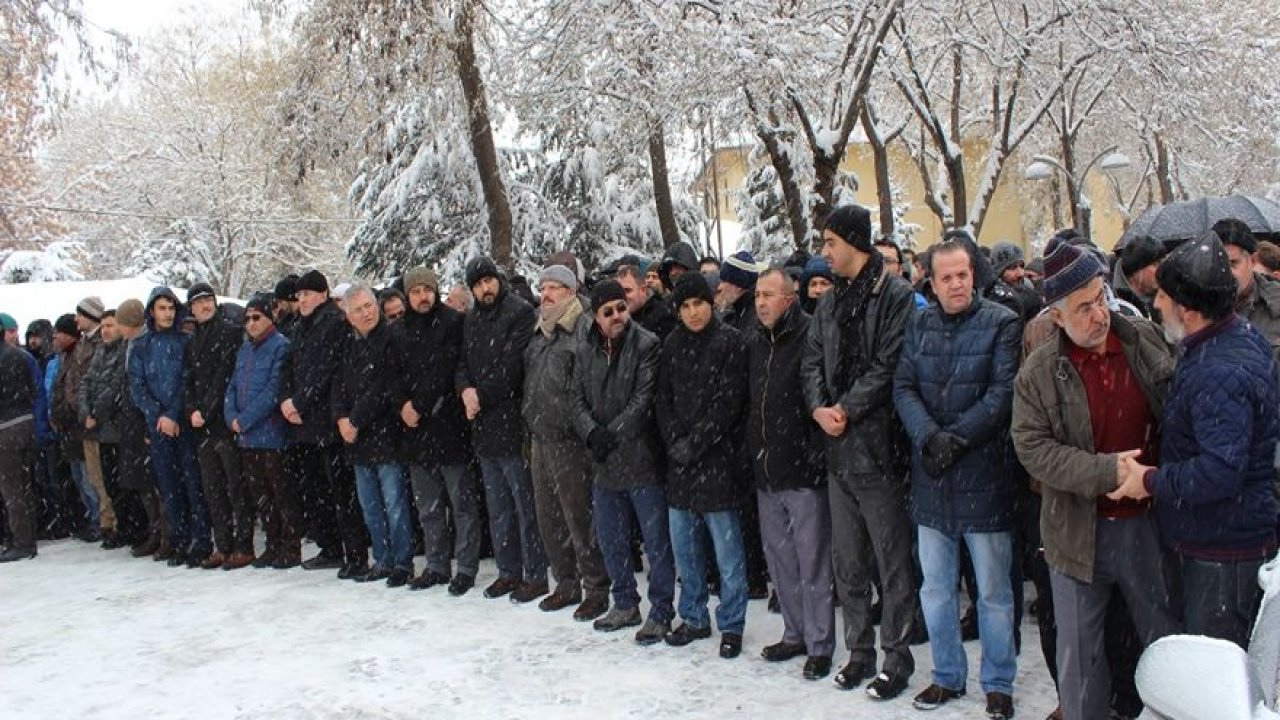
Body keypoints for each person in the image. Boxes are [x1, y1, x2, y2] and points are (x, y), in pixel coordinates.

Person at [1011, 242, 1180, 720]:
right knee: (1081, 664)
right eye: (1083, 308)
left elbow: (1177, 409)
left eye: (1100, 298)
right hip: (1075, 532)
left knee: (1167, 644)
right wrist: (1106, 471)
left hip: (1146, 525)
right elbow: (1032, 449)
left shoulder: (1142, 339)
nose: (1099, 314)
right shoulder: (1039, 371)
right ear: (1057, 317)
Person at [1110, 231, 1279, 649]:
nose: (1155, 303)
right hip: (1226, 542)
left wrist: (1150, 481)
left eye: (1162, 295)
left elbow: (1219, 472)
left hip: (1222, 554)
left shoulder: (1217, 369)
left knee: (1216, 667)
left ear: (1186, 308)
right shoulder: (1230, 338)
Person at [893, 238, 1021, 718]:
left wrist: (958, 438)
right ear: (931, 282)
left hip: (983, 474)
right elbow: (904, 386)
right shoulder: (919, 323)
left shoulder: (1001, 322)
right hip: (932, 475)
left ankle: (998, 682)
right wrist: (929, 436)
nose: (956, 284)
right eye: (946, 277)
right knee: (935, 588)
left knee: (993, 592)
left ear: (974, 275)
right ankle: (947, 675)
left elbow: (1002, 393)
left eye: (963, 275)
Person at [801, 204, 919, 699]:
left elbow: (890, 363)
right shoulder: (829, 302)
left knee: (892, 565)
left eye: (831, 242)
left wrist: (846, 408)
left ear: (854, 242)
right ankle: (859, 653)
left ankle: (897, 658)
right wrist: (818, 408)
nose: (825, 252)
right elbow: (811, 362)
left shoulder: (895, 295)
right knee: (847, 563)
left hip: (880, 449)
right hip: (837, 451)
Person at [570, 279, 676, 644]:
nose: (617, 315)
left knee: (656, 543)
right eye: (608, 311)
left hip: (641, 460)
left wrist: (610, 434)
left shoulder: (647, 344)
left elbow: (642, 400)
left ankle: (661, 610)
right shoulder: (584, 349)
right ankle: (625, 603)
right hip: (603, 464)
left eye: (621, 308)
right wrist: (591, 433)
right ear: (595, 317)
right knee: (611, 540)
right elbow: (575, 399)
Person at [655, 272, 750, 659]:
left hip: (718, 461)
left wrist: (696, 441)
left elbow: (729, 402)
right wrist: (675, 440)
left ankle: (732, 622)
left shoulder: (731, 342)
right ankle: (693, 616)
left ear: (711, 303)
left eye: (699, 304)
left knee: (728, 554)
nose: (693, 312)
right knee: (686, 552)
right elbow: (662, 400)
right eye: (686, 306)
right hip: (680, 466)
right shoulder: (672, 344)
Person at [749, 268, 834, 680]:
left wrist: (813, 454)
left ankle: (820, 643)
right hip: (766, 470)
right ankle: (794, 632)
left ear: (789, 298)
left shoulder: (810, 335)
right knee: (781, 561)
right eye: (757, 295)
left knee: (812, 562)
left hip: (802, 471)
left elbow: (820, 397)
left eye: (769, 295)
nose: (761, 302)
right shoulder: (754, 341)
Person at [456, 257, 547, 602]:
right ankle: (508, 571)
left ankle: (535, 573)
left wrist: (480, 394)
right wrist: (465, 390)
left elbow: (512, 367)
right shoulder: (472, 319)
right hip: (483, 427)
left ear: (498, 279)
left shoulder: (520, 312)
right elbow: (462, 362)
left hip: (512, 424)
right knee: (498, 508)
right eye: (478, 284)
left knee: (525, 506)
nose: (485, 288)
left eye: (489, 281)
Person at [523, 259, 610, 619]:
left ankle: (596, 587)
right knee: (549, 517)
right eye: (542, 288)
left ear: (571, 292)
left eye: (553, 288)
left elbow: (588, 385)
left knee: (579, 518)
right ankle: (566, 583)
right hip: (539, 436)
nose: (545, 294)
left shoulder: (583, 327)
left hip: (570, 441)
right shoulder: (539, 329)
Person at [281, 269, 370, 579]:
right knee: (316, 492)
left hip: (328, 424)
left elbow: (327, 371)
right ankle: (330, 547)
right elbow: (288, 367)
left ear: (322, 294)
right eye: (299, 295)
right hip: (304, 426)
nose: (303, 299)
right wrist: (286, 401)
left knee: (342, 494)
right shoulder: (299, 328)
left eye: (308, 293)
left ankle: (355, 554)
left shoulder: (334, 324)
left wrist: (300, 402)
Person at [397, 267, 480, 596]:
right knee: (428, 508)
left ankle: (467, 567)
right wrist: (403, 405)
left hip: (449, 427)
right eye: (416, 291)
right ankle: (436, 565)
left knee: (462, 505)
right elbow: (391, 374)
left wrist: (420, 403)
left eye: (427, 290)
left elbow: (447, 368)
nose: (422, 297)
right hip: (415, 433)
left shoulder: (453, 323)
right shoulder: (398, 329)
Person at [331, 284, 412, 586]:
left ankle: (402, 562)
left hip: (385, 434)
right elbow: (337, 384)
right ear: (348, 315)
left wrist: (355, 419)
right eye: (358, 309)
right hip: (357, 441)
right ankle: (382, 558)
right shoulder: (347, 343)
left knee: (395, 504)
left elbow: (382, 386)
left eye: (369, 305)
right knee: (370, 506)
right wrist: (341, 418)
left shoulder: (392, 337)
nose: (366, 313)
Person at [129, 287, 212, 568]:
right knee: (169, 487)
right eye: (162, 308)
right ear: (151, 312)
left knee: (193, 484)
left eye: (171, 308)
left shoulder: (186, 341)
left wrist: (174, 414)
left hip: (184, 424)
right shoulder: (141, 346)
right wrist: (158, 416)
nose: (167, 313)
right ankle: (178, 541)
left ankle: (200, 541)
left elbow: (187, 381)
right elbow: (137, 387)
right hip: (158, 427)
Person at [225, 293, 296, 571]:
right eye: (248, 319)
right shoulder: (244, 349)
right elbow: (232, 386)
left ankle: (290, 545)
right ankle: (272, 543)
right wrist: (231, 415)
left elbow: (273, 390)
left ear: (270, 318)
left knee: (281, 493)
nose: (251, 323)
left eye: (257, 317)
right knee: (261, 495)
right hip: (247, 437)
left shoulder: (281, 346)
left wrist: (245, 419)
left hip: (272, 433)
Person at [183, 283, 244, 569]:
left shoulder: (229, 332)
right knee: (212, 489)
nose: (205, 305)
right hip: (201, 426)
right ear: (191, 309)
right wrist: (191, 410)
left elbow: (224, 376)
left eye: (208, 299)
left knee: (236, 487)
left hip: (224, 422)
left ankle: (242, 545)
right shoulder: (192, 339)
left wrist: (205, 410)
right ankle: (223, 544)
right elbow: (187, 379)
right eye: (199, 302)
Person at [77, 310, 146, 548]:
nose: (106, 330)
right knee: (107, 481)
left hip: (118, 427)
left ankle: (130, 528)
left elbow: (115, 386)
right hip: (102, 429)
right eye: (104, 325)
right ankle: (120, 526)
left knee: (124, 483)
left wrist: (96, 413)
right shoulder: (100, 351)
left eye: (111, 325)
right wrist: (85, 411)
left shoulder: (124, 351)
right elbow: (86, 382)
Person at [114, 299, 169, 559]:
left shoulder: (146, 344)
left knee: (157, 485)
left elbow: (148, 387)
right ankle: (155, 531)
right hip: (134, 424)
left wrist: (149, 423)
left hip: (147, 421)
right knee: (144, 485)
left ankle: (166, 534)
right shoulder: (129, 345)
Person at [50, 314, 99, 541]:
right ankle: (93, 518)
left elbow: (78, 390)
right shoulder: (64, 357)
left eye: (58, 332)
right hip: (69, 427)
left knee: (89, 478)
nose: (55, 337)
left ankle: (99, 521)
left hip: (80, 424)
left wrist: (73, 411)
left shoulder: (80, 354)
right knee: (79, 478)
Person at [0, 317, 37, 562]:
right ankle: (27, 536)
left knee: (11, 488)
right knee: (24, 484)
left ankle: (22, 542)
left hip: (5, 427)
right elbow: (33, 388)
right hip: (25, 422)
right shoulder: (21, 356)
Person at [1215, 218, 1280, 349]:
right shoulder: (1195, 307)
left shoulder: (1276, 302)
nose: (1225, 271)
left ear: (1253, 260)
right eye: (1218, 264)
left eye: (1233, 263)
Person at [618, 264, 675, 340]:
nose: (623, 297)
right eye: (619, 292)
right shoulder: (616, 316)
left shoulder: (663, 315)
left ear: (643, 290)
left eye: (627, 290)